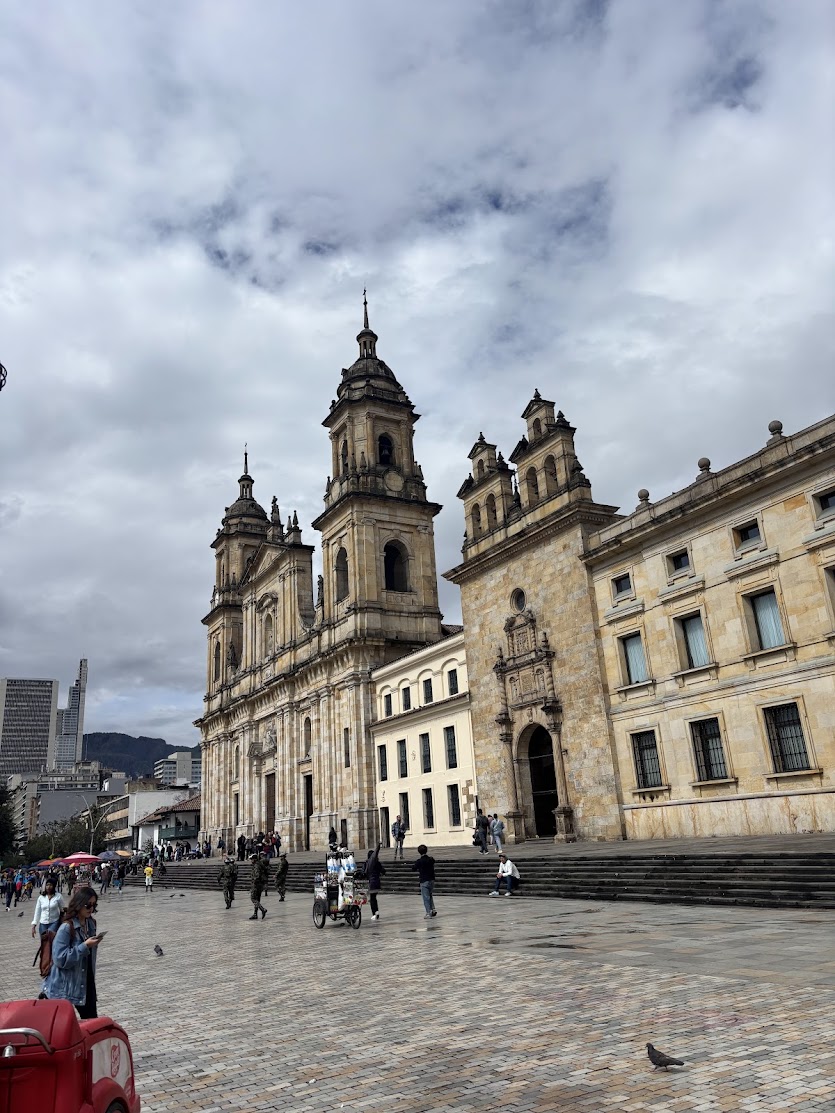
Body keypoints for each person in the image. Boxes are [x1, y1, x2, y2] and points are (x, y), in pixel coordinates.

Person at [42, 886, 102, 1019]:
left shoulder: (90, 924)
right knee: (63, 1028)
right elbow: (59, 959)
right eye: (88, 905)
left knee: (92, 1025)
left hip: (85, 981)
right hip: (64, 987)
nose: (91, 909)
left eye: (94, 905)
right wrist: (84, 946)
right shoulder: (66, 928)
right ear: (79, 904)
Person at [31, 875, 64, 939]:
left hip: (54, 922)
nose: (48, 887)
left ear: (54, 886)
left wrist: (62, 921)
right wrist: (34, 924)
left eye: (51, 885)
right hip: (43, 923)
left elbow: (62, 909)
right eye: (47, 885)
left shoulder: (58, 896)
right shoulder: (41, 898)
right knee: (44, 942)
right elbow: (37, 911)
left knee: (51, 940)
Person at [411, 844, 437, 920]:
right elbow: (433, 862)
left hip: (424, 880)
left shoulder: (420, 861)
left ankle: (428, 912)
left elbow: (413, 868)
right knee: (430, 895)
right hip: (432, 880)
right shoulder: (431, 859)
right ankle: (433, 909)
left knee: (426, 897)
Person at [364, 843, 385, 921]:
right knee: (374, 898)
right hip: (377, 882)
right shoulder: (377, 863)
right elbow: (383, 871)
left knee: (372, 899)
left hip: (371, 883)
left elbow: (364, 872)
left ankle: (375, 914)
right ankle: (376, 912)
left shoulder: (368, 863)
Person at [249, 853, 271, 920]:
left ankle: (262, 909)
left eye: (252, 859)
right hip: (261, 884)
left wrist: (254, 882)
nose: (251, 860)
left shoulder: (256, 865)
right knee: (257, 899)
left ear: (254, 859)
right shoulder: (260, 864)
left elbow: (257, 876)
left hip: (256, 884)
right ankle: (255, 914)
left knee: (253, 898)